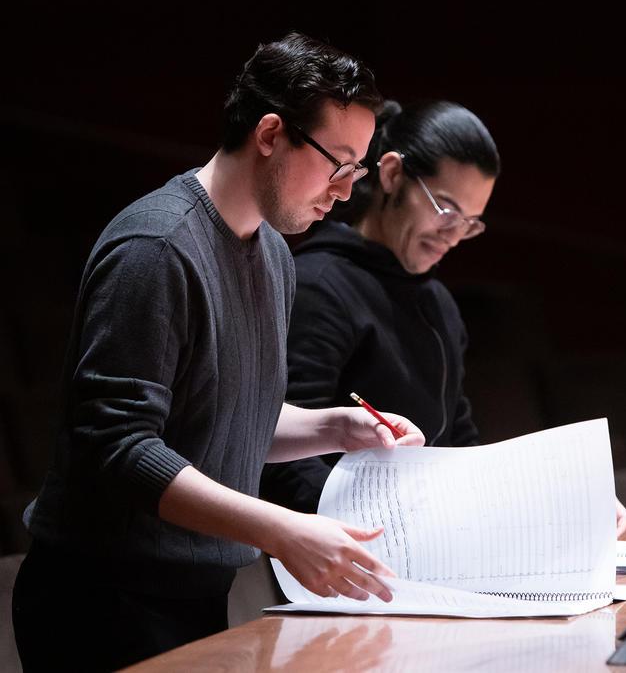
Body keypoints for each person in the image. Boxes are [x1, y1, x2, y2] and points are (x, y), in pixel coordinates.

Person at [11, 33, 425, 672]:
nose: (346, 191)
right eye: (337, 163)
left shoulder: (276, 257)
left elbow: (220, 418)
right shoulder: (157, 247)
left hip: (194, 594)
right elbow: (121, 449)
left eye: (358, 170)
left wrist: (334, 428)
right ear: (269, 134)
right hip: (101, 603)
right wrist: (280, 529)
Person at [261, 99, 626, 536]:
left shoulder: (437, 302)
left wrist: (558, 495)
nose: (455, 236)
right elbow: (280, 457)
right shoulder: (319, 285)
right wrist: (377, 536)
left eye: (470, 223)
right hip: (344, 557)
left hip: (417, 547)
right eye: (447, 211)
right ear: (393, 174)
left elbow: (457, 443)